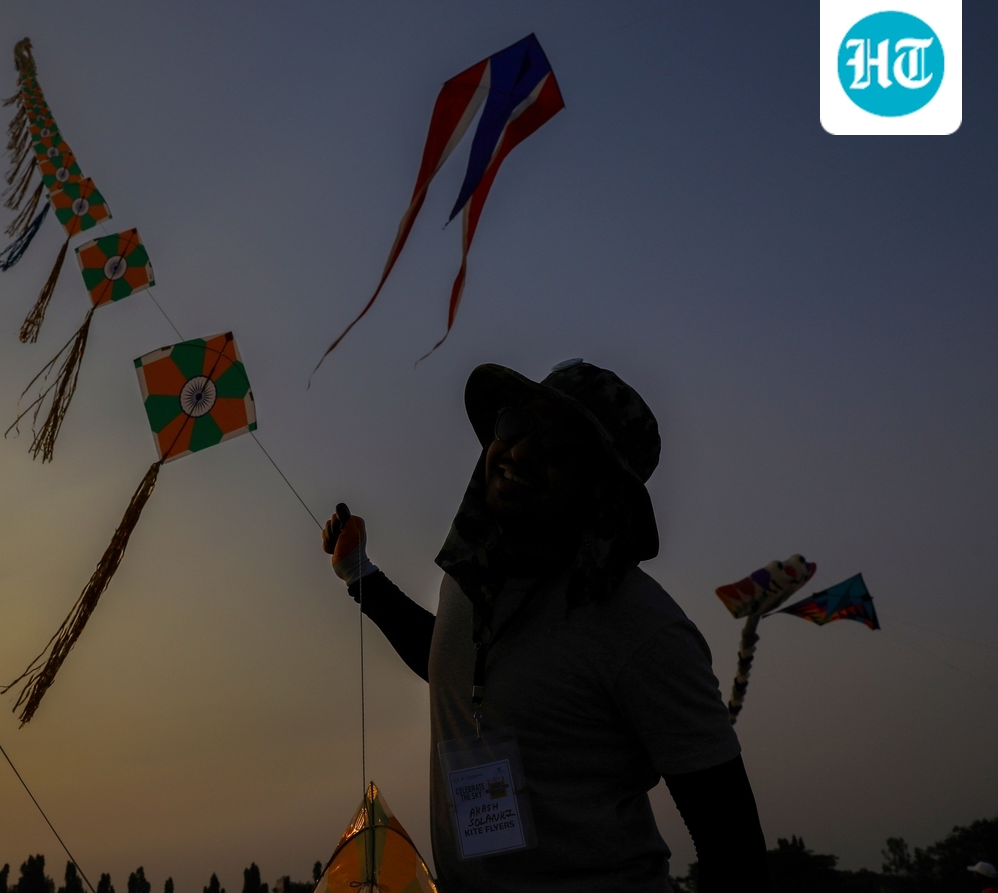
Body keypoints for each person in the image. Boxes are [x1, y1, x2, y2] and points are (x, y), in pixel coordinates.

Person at [323, 360, 771, 893]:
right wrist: (360, 576)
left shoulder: (645, 630)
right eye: (514, 425)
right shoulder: (471, 582)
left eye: (558, 445)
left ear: (603, 489)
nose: (518, 452)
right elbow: (448, 667)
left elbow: (735, 850)